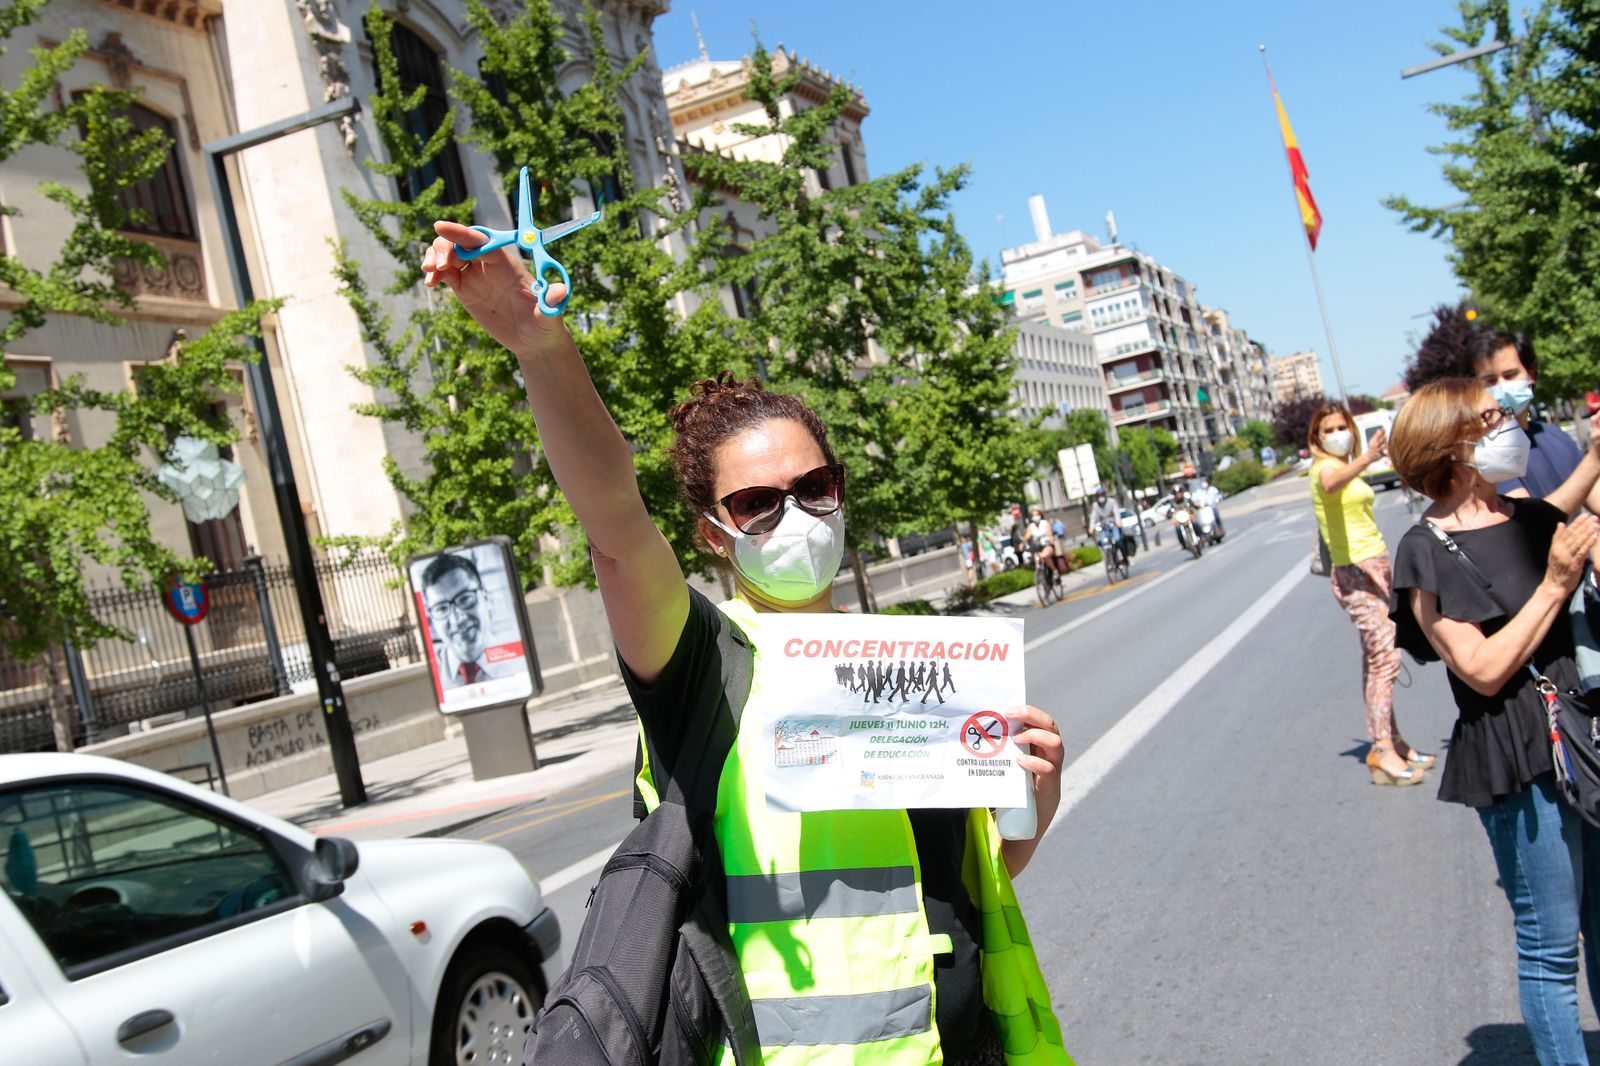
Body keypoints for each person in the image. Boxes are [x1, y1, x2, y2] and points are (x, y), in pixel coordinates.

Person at [422, 222, 1072, 1064]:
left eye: (814, 486)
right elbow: (615, 522)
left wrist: (1033, 807)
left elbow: (945, 894)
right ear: (711, 535)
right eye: (756, 503)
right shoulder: (704, 660)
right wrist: (543, 350)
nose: (793, 515)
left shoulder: (919, 670)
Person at [1388, 378, 1600, 1064]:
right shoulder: (1425, 550)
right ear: (1453, 445)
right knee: (1551, 943)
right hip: (1518, 754)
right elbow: (1479, 668)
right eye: (1491, 418)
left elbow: (1565, 508)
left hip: (1582, 734)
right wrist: (1555, 584)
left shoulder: (1529, 517)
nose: (1510, 425)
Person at [1307, 401, 1431, 784]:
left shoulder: (1349, 465)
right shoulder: (1324, 468)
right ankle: (1381, 748)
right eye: (1327, 430)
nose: (1335, 435)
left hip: (1375, 566)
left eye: (1340, 427)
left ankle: (1392, 740)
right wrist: (1367, 458)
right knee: (1386, 657)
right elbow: (1331, 484)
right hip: (1354, 573)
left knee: (1374, 658)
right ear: (1316, 437)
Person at [1470, 327, 1600, 515]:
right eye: (1490, 381)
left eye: (1510, 375)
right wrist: (1594, 459)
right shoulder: (1487, 454)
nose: (1502, 387)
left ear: (1530, 374)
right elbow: (1531, 522)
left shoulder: (1553, 434)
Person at [420, 552, 512, 686]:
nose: (457, 619)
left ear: (486, 598)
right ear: (431, 619)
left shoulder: (517, 658)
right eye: (441, 608)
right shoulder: (429, 679)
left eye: (465, 599)